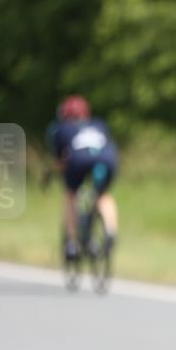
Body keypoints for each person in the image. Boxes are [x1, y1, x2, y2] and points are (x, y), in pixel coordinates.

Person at [46, 95, 119, 260]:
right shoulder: (99, 124)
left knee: (71, 194)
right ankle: (110, 231)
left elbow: (60, 161)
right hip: (107, 160)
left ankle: (72, 243)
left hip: (78, 161)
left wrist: (51, 174)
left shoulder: (61, 128)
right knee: (103, 195)